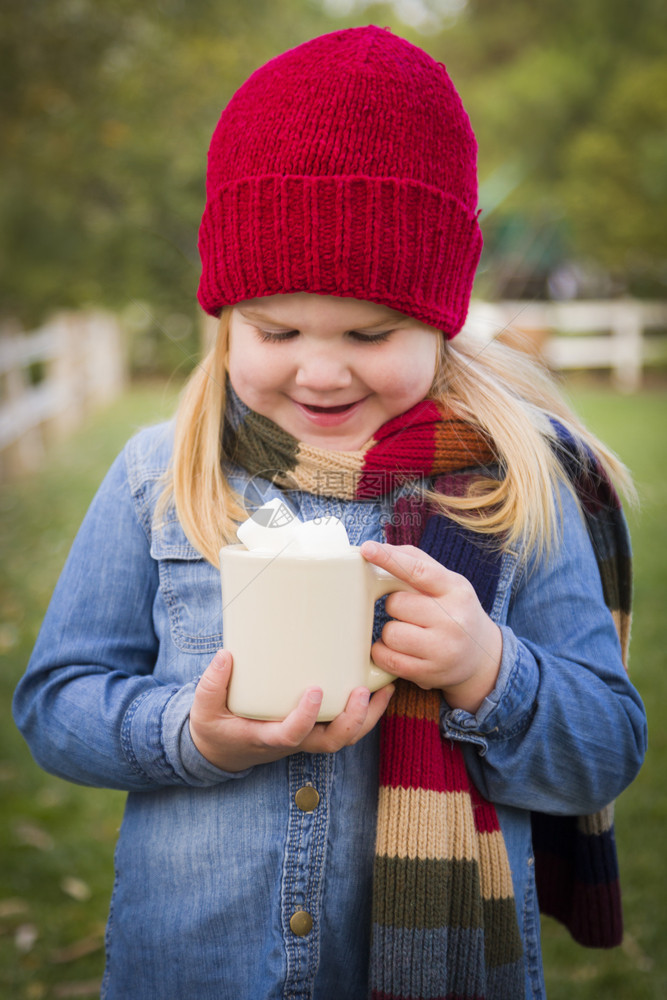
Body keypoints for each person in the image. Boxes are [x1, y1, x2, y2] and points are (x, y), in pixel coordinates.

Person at [13, 26, 646, 1000]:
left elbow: (601, 751)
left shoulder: (520, 486)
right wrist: (195, 732)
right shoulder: (160, 477)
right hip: (196, 970)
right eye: (275, 329)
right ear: (224, 318)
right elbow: (56, 706)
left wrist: (489, 669)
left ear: (439, 316)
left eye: (368, 330)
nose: (318, 368)